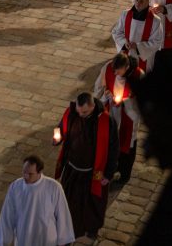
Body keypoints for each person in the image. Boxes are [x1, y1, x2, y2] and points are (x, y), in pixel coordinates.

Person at [52, 92, 119, 240]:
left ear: (93, 106)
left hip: (93, 172)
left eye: (85, 112)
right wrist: (57, 138)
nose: (81, 115)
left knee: (93, 202)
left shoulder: (106, 122)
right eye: (79, 111)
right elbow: (61, 128)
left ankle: (92, 228)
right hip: (72, 169)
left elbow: (113, 149)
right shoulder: (72, 113)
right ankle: (69, 228)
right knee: (70, 201)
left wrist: (108, 174)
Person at [0, 155, 75, 246]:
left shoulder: (54, 187)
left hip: (46, 239)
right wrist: (2, 242)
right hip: (24, 238)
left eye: (30, 174)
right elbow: (7, 216)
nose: (26, 176)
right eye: (24, 172)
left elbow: (62, 213)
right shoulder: (15, 187)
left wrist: (64, 240)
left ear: (40, 172)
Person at [93, 52, 143, 183]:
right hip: (112, 112)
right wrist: (106, 92)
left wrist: (125, 101)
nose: (114, 73)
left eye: (118, 71)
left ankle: (125, 173)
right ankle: (112, 168)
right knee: (112, 141)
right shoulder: (108, 67)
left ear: (126, 67)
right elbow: (99, 86)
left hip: (129, 115)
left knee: (127, 142)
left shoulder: (138, 75)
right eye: (113, 70)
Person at [111, 0, 164, 73]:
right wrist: (124, 42)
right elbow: (116, 32)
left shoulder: (155, 21)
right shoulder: (125, 14)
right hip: (126, 54)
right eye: (137, 0)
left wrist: (138, 46)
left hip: (144, 57)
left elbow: (157, 41)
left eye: (142, 1)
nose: (138, 3)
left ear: (148, 3)